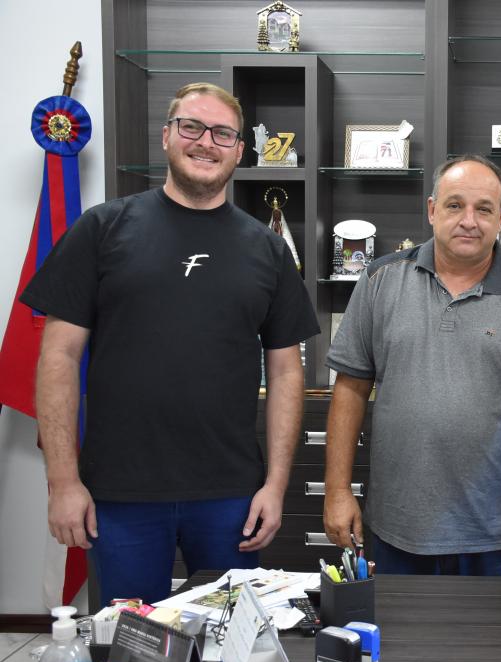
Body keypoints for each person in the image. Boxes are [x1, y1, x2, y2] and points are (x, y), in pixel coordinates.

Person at [22, 83, 319, 604]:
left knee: (229, 641)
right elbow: (59, 357)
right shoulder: (102, 229)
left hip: (231, 495)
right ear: (166, 136)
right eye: (191, 127)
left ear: (239, 151)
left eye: (222, 133)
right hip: (121, 493)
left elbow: (286, 372)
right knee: (128, 644)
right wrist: (64, 482)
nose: (206, 142)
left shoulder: (268, 250)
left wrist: (275, 486)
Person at [322, 154, 501, 575]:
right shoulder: (379, 281)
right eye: (454, 205)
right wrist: (337, 491)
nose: (469, 220)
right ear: (432, 210)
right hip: (397, 527)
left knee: (491, 623)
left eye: (484, 209)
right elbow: (350, 389)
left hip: (497, 534)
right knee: (396, 621)